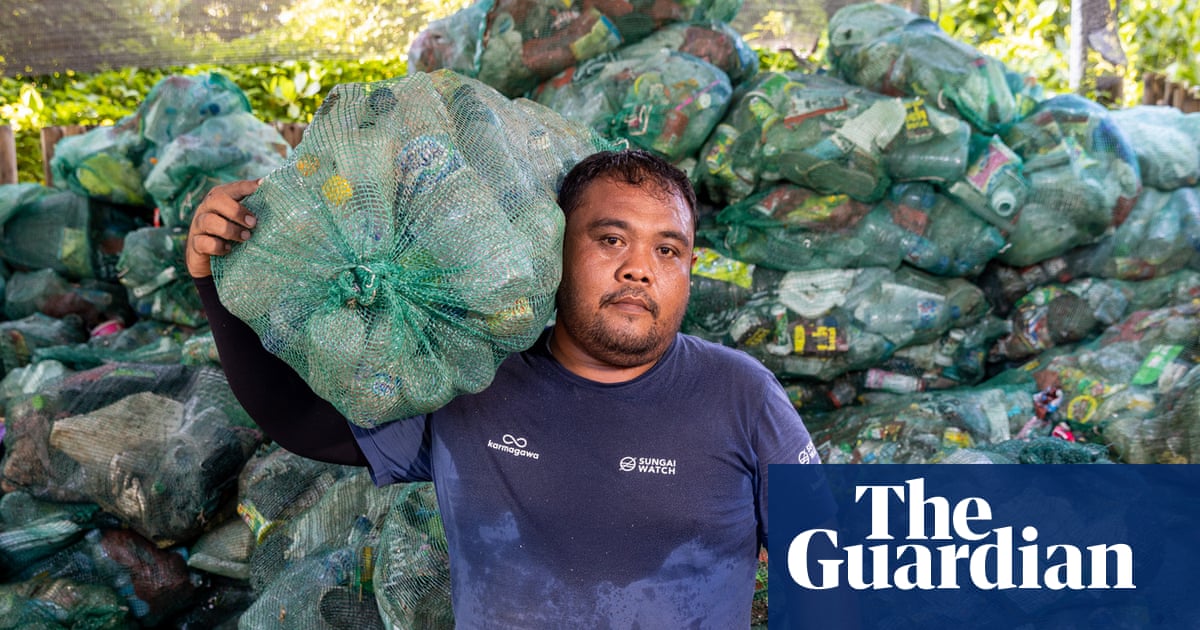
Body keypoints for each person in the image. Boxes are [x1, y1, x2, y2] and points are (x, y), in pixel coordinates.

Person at [187, 149, 824, 627]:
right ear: (553, 250)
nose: (639, 267)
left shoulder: (742, 395)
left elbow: (831, 574)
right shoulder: (472, 378)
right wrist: (217, 284)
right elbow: (301, 423)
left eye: (668, 250)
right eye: (610, 239)